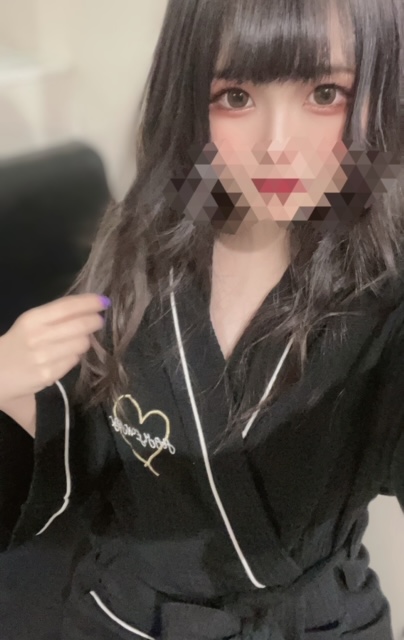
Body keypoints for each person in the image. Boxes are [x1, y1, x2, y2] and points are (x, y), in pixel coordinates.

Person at [0, 0, 404, 638]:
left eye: (325, 93)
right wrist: (11, 389)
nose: (277, 146)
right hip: (129, 619)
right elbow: (90, 450)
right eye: (236, 96)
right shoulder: (139, 251)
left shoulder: (386, 293)